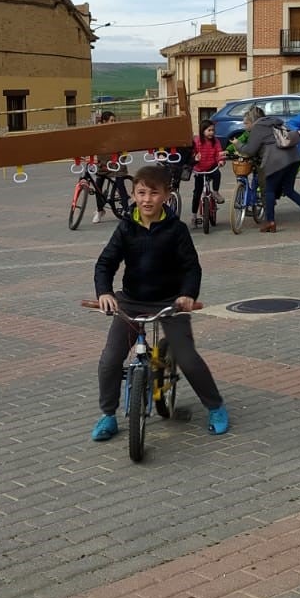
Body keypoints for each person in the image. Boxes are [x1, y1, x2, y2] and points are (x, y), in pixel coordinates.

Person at [91, 164, 228, 439]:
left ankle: (215, 406)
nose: (146, 199)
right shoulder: (126, 227)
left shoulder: (175, 230)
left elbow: (192, 267)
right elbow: (105, 263)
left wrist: (188, 294)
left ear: (167, 195)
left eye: (154, 193)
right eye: (141, 193)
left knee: (188, 359)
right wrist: (104, 292)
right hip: (129, 302)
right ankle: (108, 415)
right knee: (109, 360)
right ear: (132, 195)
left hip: (170, 303)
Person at [236, 108, 300, 233]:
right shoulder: (275, 122)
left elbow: (250, 150)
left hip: (276, 162)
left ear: (253, 121)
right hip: (293, 158)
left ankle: (270, 222)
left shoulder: (258, 127)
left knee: (269, 191)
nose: (245, 126)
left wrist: (237, 144)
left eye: (246, 123)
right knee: (289, 190)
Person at [190, 119, 225, 226]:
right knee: (197, 193)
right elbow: (192, 153)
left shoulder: (216, 141)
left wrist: (221, 161)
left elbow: (219, 153)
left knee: (217, 174)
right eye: (209, 130)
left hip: (211, 167)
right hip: (199, 170)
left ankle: (215, 192)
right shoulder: (196, 141)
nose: (211, 133)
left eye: (213, 130)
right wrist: (194, 157)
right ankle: (194, 215)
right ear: (202, 130)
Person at [90, 111, 120, 225]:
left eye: (114, 121)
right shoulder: (98, 133)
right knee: (98, 188)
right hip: (102, 166)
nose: (113, 123)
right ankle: (100, 210)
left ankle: (123, 204)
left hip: (113, 165)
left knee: (118, 183)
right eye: (111, 121)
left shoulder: (115, 133)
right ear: (103, 122)